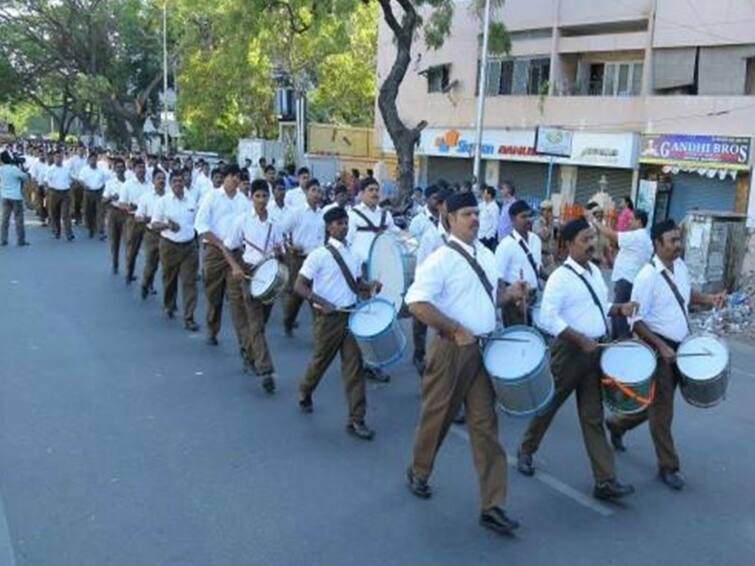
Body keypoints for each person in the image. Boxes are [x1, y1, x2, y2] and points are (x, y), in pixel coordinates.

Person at [405, 191, 526, 535]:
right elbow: (416, 303)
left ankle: (493, 505)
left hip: (483, 350)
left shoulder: (486, 255)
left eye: (477, 213)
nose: (474, 218)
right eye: (467, 214)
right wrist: (455, 328)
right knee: (437, 417)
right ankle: (419, 470)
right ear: (452, 218)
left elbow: (490, 298)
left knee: (486, 427)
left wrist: (510, 295)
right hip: (451, 349)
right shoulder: (440, 259)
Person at [516, 217, 637, 501]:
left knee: (593, 417)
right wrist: (580, 340)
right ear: (568, 244)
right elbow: (547, 318)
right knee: (549, 405)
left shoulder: (595, 271)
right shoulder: (560, 277)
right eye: (584, 239)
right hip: (569, 351)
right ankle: (526, 450)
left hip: (593, 352)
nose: (591, 244)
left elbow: (597, 306)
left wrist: (619, 309)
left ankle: (605, 481)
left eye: (592, 238)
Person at [606, 219, 726, 490]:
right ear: (657, 244)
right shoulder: (646, 277)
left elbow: (685, 295)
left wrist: (709, 298)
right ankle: (668, 466)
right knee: (663, 411)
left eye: (678, 240)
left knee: (657, 403)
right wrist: (661, 347)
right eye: (672, 241)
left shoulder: (680, 266)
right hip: (658, 347)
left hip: (679, 347)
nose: (677, 246)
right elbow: (635, 321)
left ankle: (618, 424)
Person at [294, 206, 381, 440]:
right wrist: (321, 301)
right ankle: (305, 390)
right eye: (338, 223)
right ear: (328, 227)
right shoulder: (318, 255)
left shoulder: (352, 254)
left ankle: (357, 419)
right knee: (320, 362)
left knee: (354, 369)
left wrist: (370, 285)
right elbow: (299, 286)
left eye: (345, 222)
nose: (343, 226)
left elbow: (356, 283)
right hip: (328, 319)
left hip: (350, 316)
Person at [224, 179, 286, 392]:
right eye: (257, 196)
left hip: (270, 275)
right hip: (249, 273)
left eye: (264, 196)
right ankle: (266, 369)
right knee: (256, 323)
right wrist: (235, 267)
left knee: (262, 322)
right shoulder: (241, 221)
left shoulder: (275, 223)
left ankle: (249, 353)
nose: (261, 200)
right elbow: (228, 248)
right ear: (251, 198)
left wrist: (280, 253)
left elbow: (281, 249)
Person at [194, 164, 250, 347]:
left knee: (238, 302)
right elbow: (201, 226)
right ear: (224, 177)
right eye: (232, 176)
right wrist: (219, 243)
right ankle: (212, 329)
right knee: (214, 296)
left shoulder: (243, 201)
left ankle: (246, 349)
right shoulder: (212, 197)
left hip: (236, 253)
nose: (235, 179)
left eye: (238, 176)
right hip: (215, 252)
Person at [591, 208, 652, 339]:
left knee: (620, 314)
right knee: (621, 313)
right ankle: (617, 342)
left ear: (639, 222)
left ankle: (620, 343)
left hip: (626, 280)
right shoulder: (644, 237)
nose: (629, 222)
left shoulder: (638, 235)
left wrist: (595, 222)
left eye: (632, 219)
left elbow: (612, 235)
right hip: (628, 280)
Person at [151, 172, 200, 331]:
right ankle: (169, 304)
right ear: (170, 184)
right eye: (175, 181)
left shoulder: (192, 201)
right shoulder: (163, 202)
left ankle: (189, 317)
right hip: (169, 245)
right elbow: (154, 225)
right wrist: (168, 226)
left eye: (180, 180)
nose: (178, 183)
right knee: (169, 279)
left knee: (189, 282)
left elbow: (198, 223)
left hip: (189, 247)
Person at [411, 188, 451, 375]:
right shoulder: (431, 236)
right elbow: (421, 268)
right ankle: (420, 356)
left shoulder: (462, 237)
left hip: (451, 298)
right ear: (441, 207)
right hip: (432, 294)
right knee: (425, 330)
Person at [280, 179, 325, 336]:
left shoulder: (323, 215)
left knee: (316, 295)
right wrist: (290, 246)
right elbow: (282, 231)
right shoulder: (297, 212)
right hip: (299, 258)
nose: (316, 194)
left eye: (319, 191)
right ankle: (288, 320)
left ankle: (319, 333)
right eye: (313, 190)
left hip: (318, 261)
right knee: (296, 295)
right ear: (306, 193)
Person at [494, 200, 544, 327]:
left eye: (530, 216)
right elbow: (498, 278)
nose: (528, 220)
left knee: (534, 338)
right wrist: (514, 300)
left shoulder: (536, 240)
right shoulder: (505, 245)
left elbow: (537, 267)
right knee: (517, 340)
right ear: (512, 219)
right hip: (514, 302)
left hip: (533, 297)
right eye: (523, 216)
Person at [135, 169, 167, 300]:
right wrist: (148, 219)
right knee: (151, 264)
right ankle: (145, 284)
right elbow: (138, 217)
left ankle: (169, 300)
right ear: (153, 181)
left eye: (164, 178)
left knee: (167, 267)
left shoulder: (170, 197)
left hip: (167, 235)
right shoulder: (146, 197)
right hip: (152, 235)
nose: (162, 181)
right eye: (159, 178)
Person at [119, 159, 152, 284]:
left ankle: (149, 282)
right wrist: (129, 206)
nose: (142, 170)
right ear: (133, 169)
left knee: (151, 252)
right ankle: (129, 273)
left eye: (143, 167)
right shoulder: (127, 185)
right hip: (133, 219)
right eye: (139, 167)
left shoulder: (150, 185)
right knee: (132, 248)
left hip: (148, 220)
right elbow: (121, 204)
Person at [44, 149, 75, 241]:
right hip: (54, 192)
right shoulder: (50, 169)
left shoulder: (66, 168)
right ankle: (57, 231)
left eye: (60, 157)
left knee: (66, 214)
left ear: (63, 158)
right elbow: (46, 181)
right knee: (54, 213)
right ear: (53, 158)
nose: (59, 159)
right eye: (57, 157)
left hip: (65, 193)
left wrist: (72, 183)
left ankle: (69, 233)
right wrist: (47, 190)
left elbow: (72, 178)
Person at [0, 150, 30, 246]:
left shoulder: (1, 169)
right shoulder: (14, 169)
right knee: (18, 219)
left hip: (5, 196)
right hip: (16, 197)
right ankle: (20, 240)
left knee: (5, 219)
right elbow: (25, 177)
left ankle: (3, 239)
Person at [103, 158, 128, 273]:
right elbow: (103, 200)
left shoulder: (130, 183)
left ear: (125, 168)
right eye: (117, 167)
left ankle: (129, 268)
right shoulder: (110, 183)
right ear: (114, 169)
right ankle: (115, 263)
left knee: (128, 241)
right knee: (114, 239)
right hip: (114, 211)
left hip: (126, 213)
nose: (120, 169)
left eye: (121, 167)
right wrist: (111, 197)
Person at [77, 152, 108, 239]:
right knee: (89, 212)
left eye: (95, 159)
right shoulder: (84, 170)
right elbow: (81, 180)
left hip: (99, 192)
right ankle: (91, 228)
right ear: (88, 160)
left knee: (100, 211)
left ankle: (101, 229)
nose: (93, 161)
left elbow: (105, 182)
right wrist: (84, 185)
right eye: (91, 159)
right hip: (88, 192)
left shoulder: (101, 171)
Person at [532, 200, 556, 275]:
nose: (550, 213)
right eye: (548, 211)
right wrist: (547, 224)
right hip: (540, 255)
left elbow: (554, 239)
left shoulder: (552, 223)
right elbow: (544, 236)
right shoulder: (537, 223)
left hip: (549, 256)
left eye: (551, 210)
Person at [66, 145, 87, 226]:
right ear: (77, 150)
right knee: (75, 201)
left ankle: (83, 217)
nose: (81, 151)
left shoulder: (86, 160)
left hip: (84, 183)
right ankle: (76, 216)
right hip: (75, 182)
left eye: (83, 150)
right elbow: (68, 171)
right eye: (80, 150)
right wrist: (74, 179)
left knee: (83, 201)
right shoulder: (72, 160)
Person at [478, 185, 500, 251]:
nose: (483, 195)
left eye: (485, 193)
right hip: (479, 235)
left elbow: (496, 224)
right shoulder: (483, 204)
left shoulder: (494, 207)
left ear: (489, 195)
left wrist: (488, 237)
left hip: (487, 238)